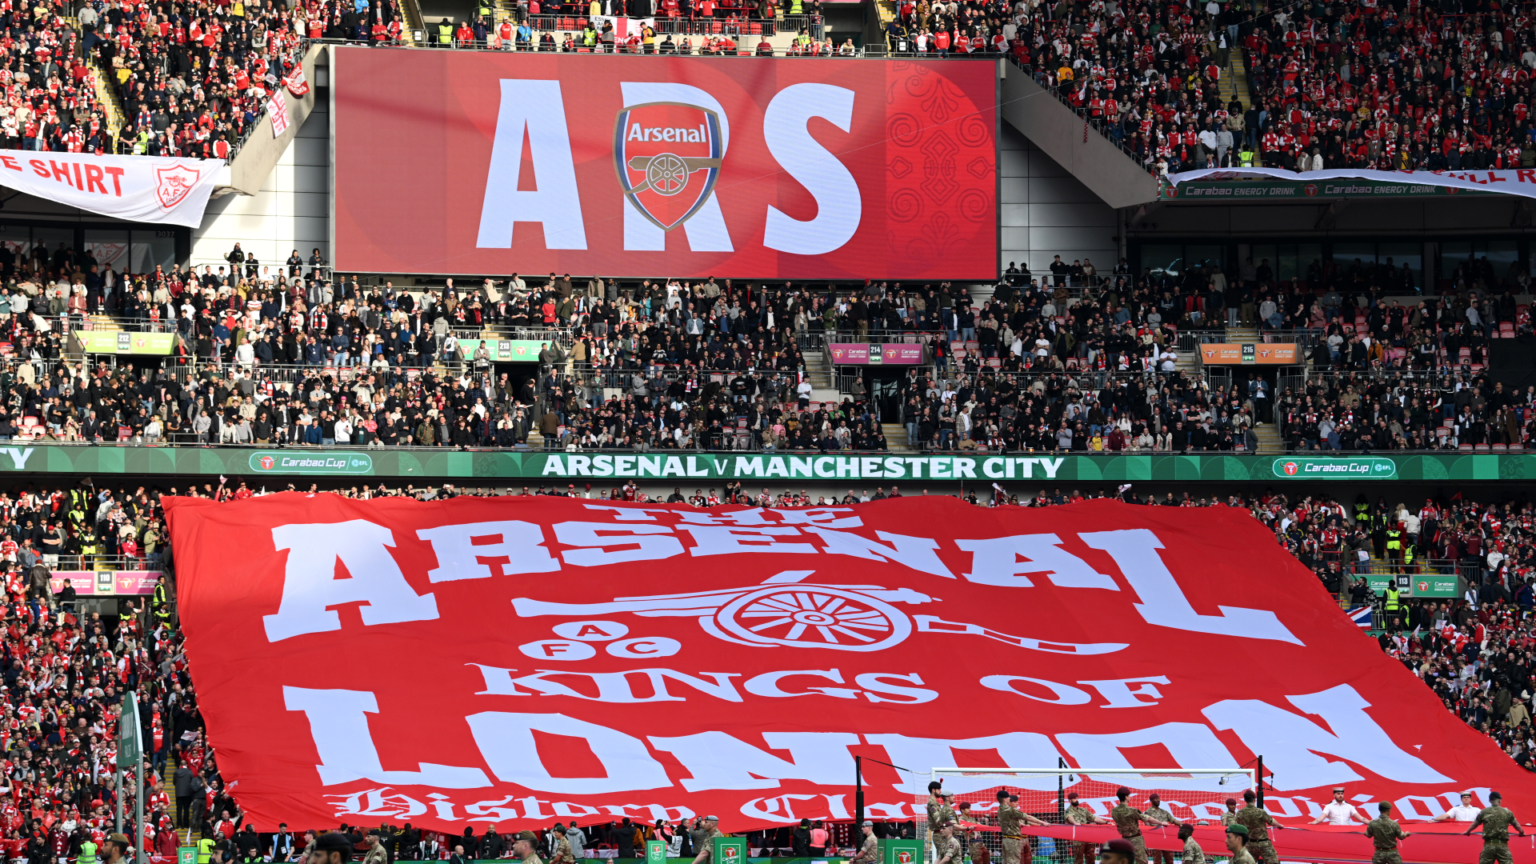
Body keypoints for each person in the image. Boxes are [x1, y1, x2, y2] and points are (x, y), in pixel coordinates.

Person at [1110, 786, 1167, 864]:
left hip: (1124, 840)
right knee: (1142, 861)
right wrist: (1161, 823)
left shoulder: (1113, 811)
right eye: (1129, 796)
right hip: (1136, 840)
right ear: (1126, 797)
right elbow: (1147, 818)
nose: (1130, 797)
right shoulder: (1132, 811)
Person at [1465, 791, 1524, 864]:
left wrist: (1468, 831)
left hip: (1488, 846)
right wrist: (1521, 832)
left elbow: (1475, 824)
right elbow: (1516, 825)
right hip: (1503, 846)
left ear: (1489, 800)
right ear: (1499, 800)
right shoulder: (1507, 812)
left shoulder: (1484, 812)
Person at [1235, 789, 1282, 864]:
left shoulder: (1240, 813)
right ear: (1254, 799)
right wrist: (1279, 825)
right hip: (1264, 844)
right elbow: (1271, 821)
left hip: (1250, 844)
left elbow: (1237, 826)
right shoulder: (1260, 812)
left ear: (1245, 800)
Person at [998, 790, 1045, 864]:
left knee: (1007, 861)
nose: (1009, 799)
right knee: (1015, 861)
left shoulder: (1000, 809)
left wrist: (1019, 823)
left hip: (1006, 839)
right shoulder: (1010, 810)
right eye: (1008, 798)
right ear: (1005, 799)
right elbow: (1028, 817)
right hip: (1013, 839)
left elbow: (1009, 821)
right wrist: (1043, 822)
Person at [1065, 792, 1108, 864]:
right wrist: (1075, 823)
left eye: (1077, 798)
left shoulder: (1083, 810)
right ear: (1070, 800)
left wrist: (1106, 822)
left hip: (1088, 836)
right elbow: (1070, 818)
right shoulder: (1068, 811)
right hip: (1077, 838)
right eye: (1074, 798)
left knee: (1091, 856)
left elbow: (1094, 818)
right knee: (1079, 859)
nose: (1076, 800)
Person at [1143, 795, 1180, 864]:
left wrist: (1183, 824)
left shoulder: (1164, 812)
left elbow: (1174, 821)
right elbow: (1148, 828)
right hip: (1156, 840)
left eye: (1159, 799)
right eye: (1156, 799)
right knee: (1157, 861)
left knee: (1170, 860)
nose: (1158, 800)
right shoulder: (1147, 813)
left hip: (1166, 840)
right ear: (1151, 801)